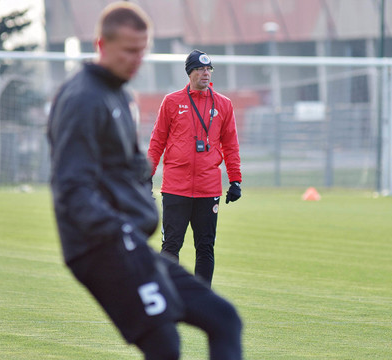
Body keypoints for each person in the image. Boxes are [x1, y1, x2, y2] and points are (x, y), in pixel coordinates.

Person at [47, 2, 242, 359]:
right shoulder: (82, 99)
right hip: (99, 249)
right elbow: (71, 189)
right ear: (101, 46)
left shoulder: (119, 94)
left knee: (224, 318)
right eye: (128, 51)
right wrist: (118, 228)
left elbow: (131, 164)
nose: (137, 59)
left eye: (143, 51)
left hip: (129, 241)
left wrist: (140, 184)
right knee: (164, 343)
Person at [148, 49, 242, 287]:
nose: (206, 73)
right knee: (170, 246)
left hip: (208, 188)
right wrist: (146, 175)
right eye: (200, 69)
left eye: (209, 69)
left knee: (205, 247)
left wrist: (236, 180)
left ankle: (203, 300)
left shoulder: (224, 104)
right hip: (175, 187)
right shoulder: (171, 102)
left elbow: (231, 145)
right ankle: (167, 296)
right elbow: (157, 141)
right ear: (190, 72)